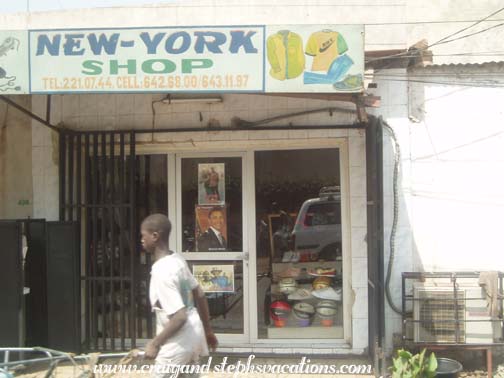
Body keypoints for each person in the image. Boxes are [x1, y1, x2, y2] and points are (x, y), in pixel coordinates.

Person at [141, 214, 218, 377]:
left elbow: (179, 317)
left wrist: (154, 344)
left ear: (155, 236)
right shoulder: (176, 259)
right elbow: (200, 294)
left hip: (180, 341)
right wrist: (208, 330)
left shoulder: (162, 271)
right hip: (194, 334)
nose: (141, 240)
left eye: (143, 235)